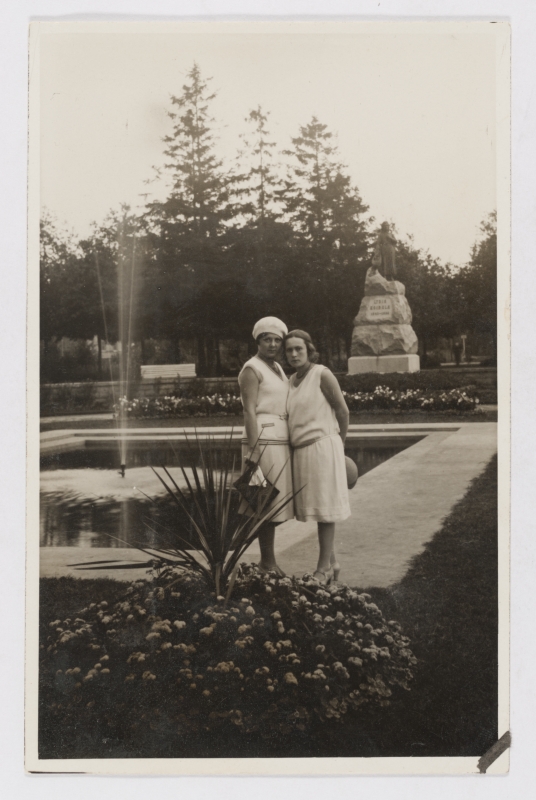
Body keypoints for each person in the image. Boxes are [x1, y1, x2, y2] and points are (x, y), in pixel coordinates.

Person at [284, 329, 350, 584]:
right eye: (289, 350)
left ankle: (321, 571)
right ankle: (333, 564)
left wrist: (338, 447)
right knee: (320, 509)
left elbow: (343, 412)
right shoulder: (290, 381)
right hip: (302, 452)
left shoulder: (322, 374)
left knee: (325, 511)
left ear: (309, 350)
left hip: (324, 447)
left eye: (299, 349)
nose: (294, 354)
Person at [238, 316, 294, 576]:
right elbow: (249, 411)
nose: (272, 344)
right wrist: (254, 448)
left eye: (277, 340)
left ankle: (267, 562)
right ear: (258, 341)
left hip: (279, 440)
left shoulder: (277, 368)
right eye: (266, 339)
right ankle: (267, 563)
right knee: (262, 502)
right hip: (262, 440)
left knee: (273, 502)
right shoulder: (252, 368)